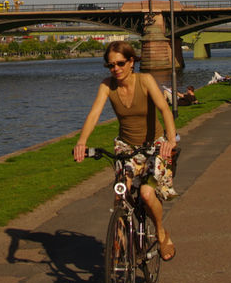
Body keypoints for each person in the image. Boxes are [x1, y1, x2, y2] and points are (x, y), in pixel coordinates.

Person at [73, 41, 179, 261]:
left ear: (132, 62)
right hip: (126, 146)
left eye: (120, 63)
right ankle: (120, 235)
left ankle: (160, 232)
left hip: (154, 146)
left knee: (147, 194)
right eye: (111, 65)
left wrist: (170, 140)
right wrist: (82, 141)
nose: (116, 69)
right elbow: (94, 114)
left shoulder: (145, 80)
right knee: (121, 191)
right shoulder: (107, 86)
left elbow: (164, 109)